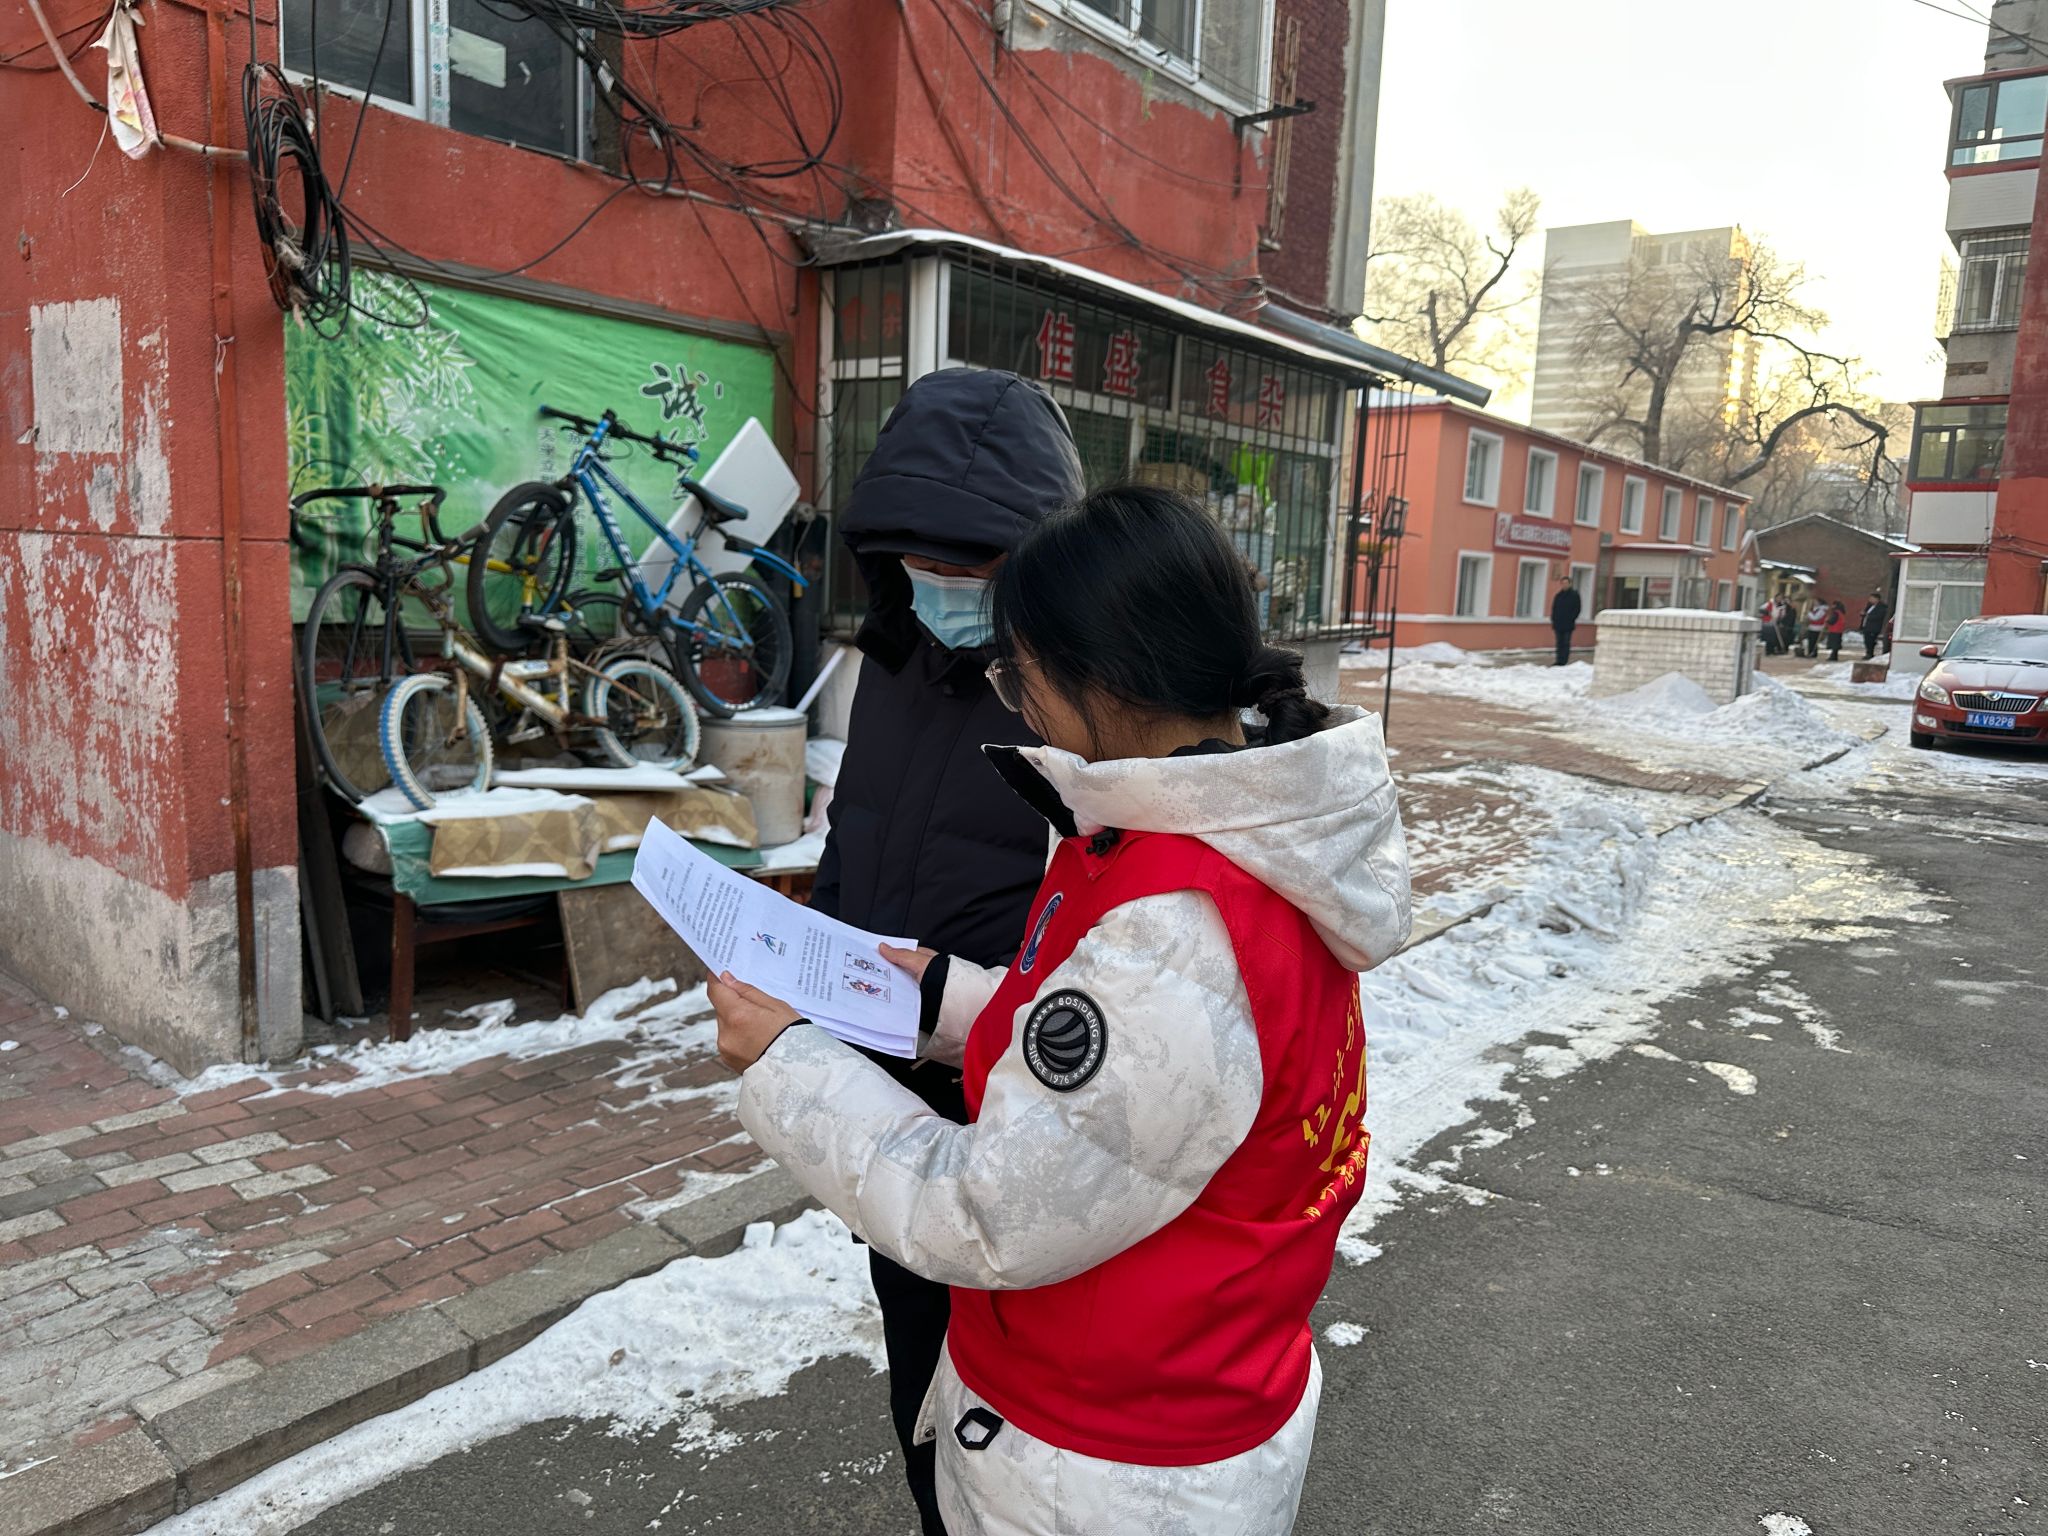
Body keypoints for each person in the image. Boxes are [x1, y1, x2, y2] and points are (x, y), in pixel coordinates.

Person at [710, 486, 1410, 1535]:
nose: (1017, 705)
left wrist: (785, 1064)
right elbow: (1138, 1065)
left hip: (1096, 1471)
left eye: (1020, 674)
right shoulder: (1228, 838)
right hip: (1170, 1399)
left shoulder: (1176, 922)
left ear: (1107, 678)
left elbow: (986, 1213)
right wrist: (941, 997)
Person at [809, 367, 1083, 1535]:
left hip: (1015, 1104)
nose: (937, 585)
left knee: (1016, 1423)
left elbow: (1119, 935)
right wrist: (803, 959)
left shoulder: (1076, 695)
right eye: (914, 558)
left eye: (966, 565)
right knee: (919, 1389)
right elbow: (859, 838)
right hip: (892, 1091)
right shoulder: (893, 661)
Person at [1549, 574, 1582, 666]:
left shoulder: (1574, 595)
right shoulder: (1558, 596)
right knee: (1559, 642)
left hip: (1568, 624)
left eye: (1566, 583)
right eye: (1563, 583)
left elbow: (1577, 609)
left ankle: (1564, 661)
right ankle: (1558, 660)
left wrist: (1572, 618)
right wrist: (1553, 619)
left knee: (1566, 642)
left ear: (1570, 584)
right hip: (1558, 623)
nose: (1564, 585)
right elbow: (1554, 608)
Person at [1859, 590, 1891, 660]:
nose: (1870, 600)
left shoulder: (1881, 607)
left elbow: (1879, 616)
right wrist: (1863, 614)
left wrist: (1868, 616)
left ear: (1877, 599)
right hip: (1866, 626)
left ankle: (1870, 653)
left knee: (1870, 641)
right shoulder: (1870, 606)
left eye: (1872, 598)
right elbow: (1866, 613)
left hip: (1873, 627)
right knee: (1867, 640)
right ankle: (1868, 652)